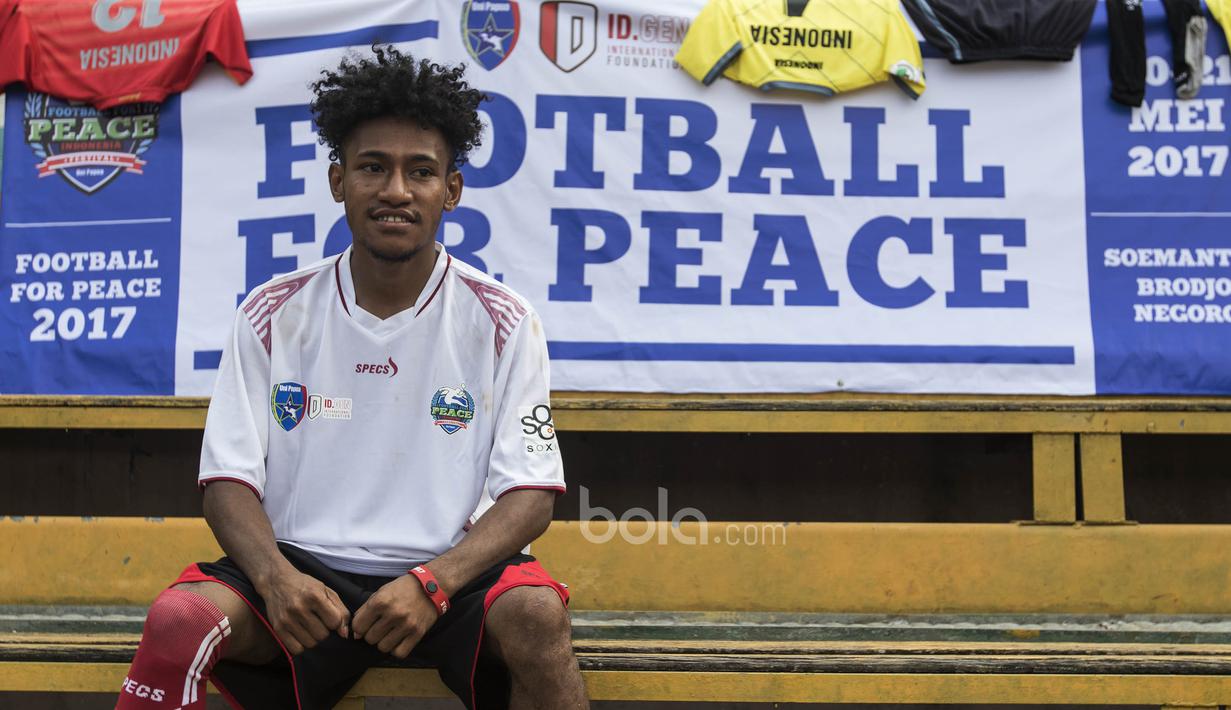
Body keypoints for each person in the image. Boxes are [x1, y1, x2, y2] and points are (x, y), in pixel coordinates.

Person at [115, 45, 588, 710]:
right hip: (303, 577)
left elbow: (531, 496)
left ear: (450, 190)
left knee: (537, 617)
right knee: (178, 621)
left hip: (451, 581)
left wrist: (433, 583)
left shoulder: (502, 319)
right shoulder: (272, 312)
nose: (395, 190)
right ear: (339, 180)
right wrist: (275, 580)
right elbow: (227, 482)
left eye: (419, 171)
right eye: (373, 167)